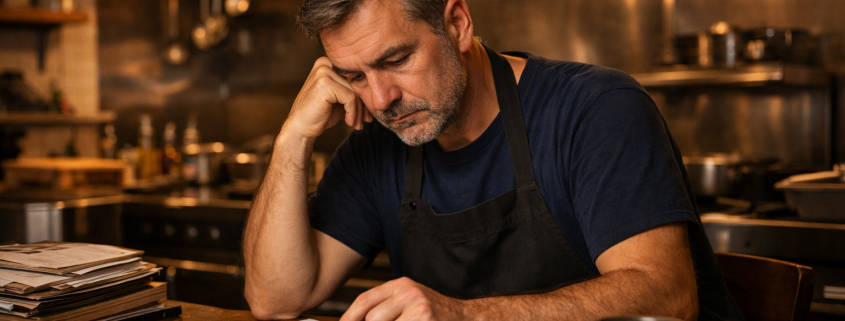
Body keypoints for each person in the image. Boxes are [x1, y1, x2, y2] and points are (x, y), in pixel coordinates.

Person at [243, 0, 745, 320]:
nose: (379, 99)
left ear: (456, 24)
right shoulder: (377, 146)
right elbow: (276, 300)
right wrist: (292, 139)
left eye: (395, 61)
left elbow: (668, 298)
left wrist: (463, 316)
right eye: (353, 76)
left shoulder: (596, 109)